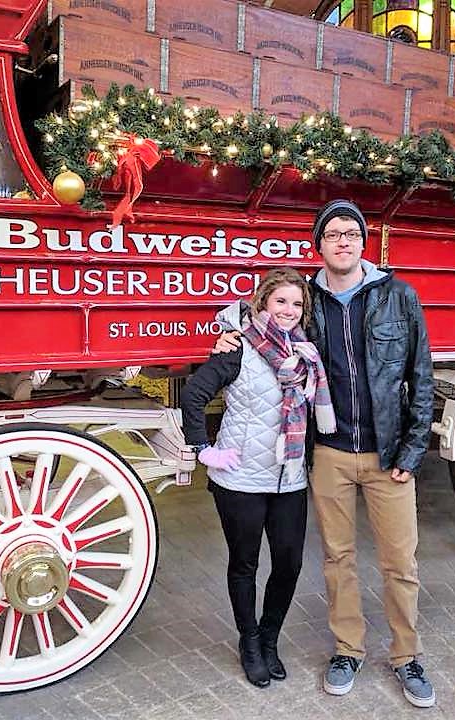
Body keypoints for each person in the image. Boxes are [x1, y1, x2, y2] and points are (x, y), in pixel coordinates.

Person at [214, 199, 436, 708]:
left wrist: (413, 449)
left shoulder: (398, 296)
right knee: (338, 559)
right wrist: (225, 333)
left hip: (388, 455)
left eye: (351, 233)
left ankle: (407, 656)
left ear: (363, 242)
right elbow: (258, 314)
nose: (343, 241)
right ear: (319, 245)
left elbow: (420, 376)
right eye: (332, 234)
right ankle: (348, 650)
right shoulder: (307, 299)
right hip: (330, 452)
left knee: (400, 562)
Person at [180, 267, 336, 688]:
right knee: (244, 563)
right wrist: (204, 449)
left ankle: (269, 638)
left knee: (289, 562)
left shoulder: (306, 352)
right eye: (280, 300)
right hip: (241, 480)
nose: (288, 310)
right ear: (263, 301)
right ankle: (249, 642)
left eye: (297, 303)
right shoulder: (237, 346)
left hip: (288, 477)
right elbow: (193, 395)